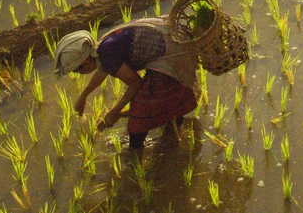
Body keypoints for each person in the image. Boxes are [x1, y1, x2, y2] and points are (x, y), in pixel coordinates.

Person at [54, 17, 201, 150]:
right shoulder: (103, 46)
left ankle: (135, 153)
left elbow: (136, 83)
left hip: (172, 55)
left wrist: (114, 112)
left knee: (140, 114)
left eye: (79, 71)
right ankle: (172, 129)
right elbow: (102, 71)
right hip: (173, 41)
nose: (80, 75)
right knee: (157, 100)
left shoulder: (107, 55)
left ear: (86, 63)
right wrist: (83, 96)